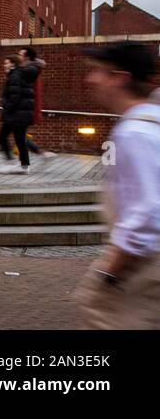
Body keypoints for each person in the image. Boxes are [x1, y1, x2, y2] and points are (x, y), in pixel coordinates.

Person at [75, 42, 160, 329]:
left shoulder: (133, 132)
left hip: (140, 271)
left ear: (120, 78)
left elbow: (147, 213)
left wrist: (111, 272)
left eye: (99, 72)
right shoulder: (153, 122)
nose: (90, 79)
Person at [0, 55, 35, 174]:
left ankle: (11, 162)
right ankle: (24, 166)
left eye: (6, 63)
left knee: (2, 137)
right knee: (20, 140)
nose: (4, 65)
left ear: (13, 64)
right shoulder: (21, 75)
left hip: (15, 115)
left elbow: (15, 96)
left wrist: (7, 107)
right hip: (20, 114)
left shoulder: (14, 77)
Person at [18, 47, 56, 158]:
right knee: (20, 136)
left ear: (27, 57)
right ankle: (39, 154)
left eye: (20, 55)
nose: (18, 57)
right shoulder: (31, 68)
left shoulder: (30, 70)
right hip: (25, 108)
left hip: (24, 109)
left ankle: (28, 160)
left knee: (19, 136)